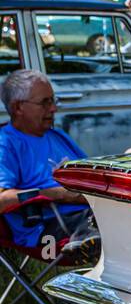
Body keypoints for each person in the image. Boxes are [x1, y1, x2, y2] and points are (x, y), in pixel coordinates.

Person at [0, 69, 94, 251]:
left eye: (53, 100)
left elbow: (91, 172)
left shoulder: (56, 135)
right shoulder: (6, 144)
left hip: (89, 210)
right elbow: (2, 199)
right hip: (51, 228)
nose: (53, 108)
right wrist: (57, 194)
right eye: (45, 102)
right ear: (18, 107)